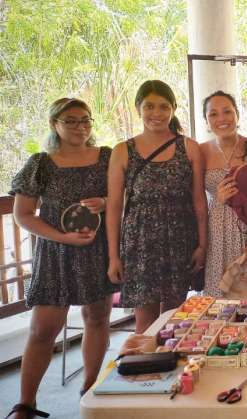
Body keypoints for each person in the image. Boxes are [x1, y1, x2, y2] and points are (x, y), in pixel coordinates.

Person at [7, 98, 116, 418]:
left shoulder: (107, 157)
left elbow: (125, 196)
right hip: (56, 254)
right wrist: (62, 237)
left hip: (98, 249)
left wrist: (106, 201)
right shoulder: (40, 163)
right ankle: (26, 403)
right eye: (70, 120)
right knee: (42, 330)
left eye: (85, 120)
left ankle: (91, 388)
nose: (80, 126)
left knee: (97, 319)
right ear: (54, 123)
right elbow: (23, 215)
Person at [106, 80, 208, 333]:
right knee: (145, 322)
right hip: (140, 243)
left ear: (173, 108)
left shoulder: (188, 147)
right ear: (138, 108)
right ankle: (144, 370)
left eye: (163, 106)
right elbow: (115, 208)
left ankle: (169, 371)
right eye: (149, 106)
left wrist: (202, 245)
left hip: (179, 239)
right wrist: (113, 256)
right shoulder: (122, 151)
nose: (156, 113)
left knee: (174, 319)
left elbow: (199, 201)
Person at [198, 90, 247, 297]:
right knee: (217, 302)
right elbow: (195, 200)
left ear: (237, 115)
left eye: (227, 111)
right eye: (213, 114)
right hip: (216, 233)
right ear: (206, 120)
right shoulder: (200, 151)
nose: (221, 119)